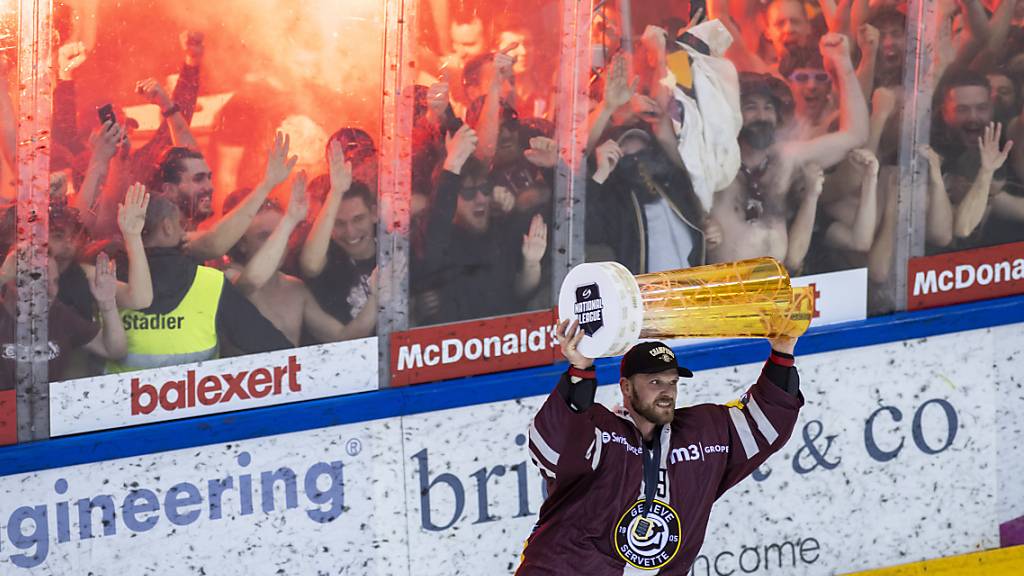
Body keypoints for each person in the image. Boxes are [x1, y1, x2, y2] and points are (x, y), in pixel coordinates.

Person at [517, 320, 803, 574]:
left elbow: (764, 423)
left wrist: (783, 351)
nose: (667, 391)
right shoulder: (601, 432)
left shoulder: (703, 434)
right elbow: (555, 445)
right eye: (655, 382)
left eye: (672, 382)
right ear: (626, 388)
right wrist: (581, 372)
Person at [106, 194, 291, 373]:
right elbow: (274, 347)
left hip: (124, 402)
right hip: (202, 399)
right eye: (180, 224)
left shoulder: (105, 279)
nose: (184, 232)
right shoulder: (211, 283)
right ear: (168, 227)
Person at [224, 172, 377, 346]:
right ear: (242, 243)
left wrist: (376, 294)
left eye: (281, 233)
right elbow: (249, 283)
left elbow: (343, 338)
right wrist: (289, 220)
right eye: (264, 236)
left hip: (294, 372)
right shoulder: (227, 276)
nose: (277, 242)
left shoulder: (295, 288)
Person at [0, 251, 127, 385]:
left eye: (54, 281)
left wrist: (107, 304)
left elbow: (113, 350)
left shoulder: (58, 314)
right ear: (12, 282)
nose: (51, 291)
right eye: (40, 282)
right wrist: (3, 277)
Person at [299, 140, 378, 328]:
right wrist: (335, 193)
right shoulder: (330, 257)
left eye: (358, 219)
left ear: (374, 214)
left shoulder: (392, 247)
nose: (350, 232)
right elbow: (310, 265)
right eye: (339, 223)